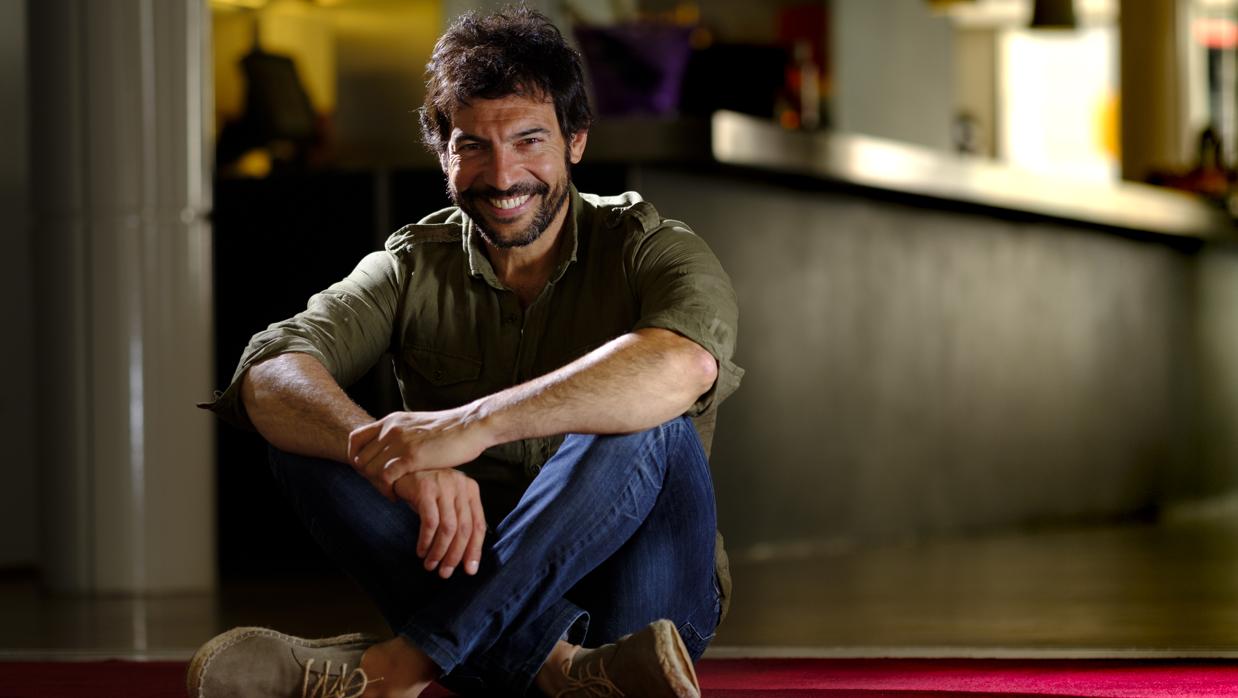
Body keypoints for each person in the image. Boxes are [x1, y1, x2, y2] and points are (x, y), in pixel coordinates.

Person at [190, 6, 742, 697]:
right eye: (473, 146)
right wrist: (396, 462)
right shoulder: (411, 264)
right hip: (475, 576)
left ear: (575, 141)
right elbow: (268, 371)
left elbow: (682, 363)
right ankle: (562, 668)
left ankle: (396, 668)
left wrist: (468, 427)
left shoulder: (651, 245)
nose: (503, 175)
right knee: (311, 439)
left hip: (641, 601)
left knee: (644, 417)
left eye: (528, 141)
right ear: (443, 153)